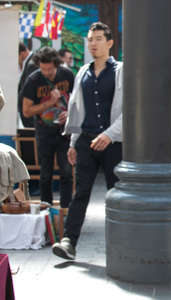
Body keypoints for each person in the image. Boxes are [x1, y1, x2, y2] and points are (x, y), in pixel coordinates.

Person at [51, 22, 123, 260]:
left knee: (116, 194)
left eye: (99, 38)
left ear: (110, 42)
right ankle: (68, 241)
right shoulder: (82, 71)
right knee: (81, 192)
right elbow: (76, 109)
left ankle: (120, 246)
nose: (93, 43)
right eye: (90, 39)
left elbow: (130, 110)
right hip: (86, 141)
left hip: (114, 143)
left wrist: (109, 134)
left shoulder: (121, 70)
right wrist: (72, 142)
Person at [21, 46, 74, 208]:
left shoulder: (67, 75)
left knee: (66, 171)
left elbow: (77, 101)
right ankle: (46, 209)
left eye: (49, 69)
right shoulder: (33, 80)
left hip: (64, 131)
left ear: (56, 64)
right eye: (43, 69)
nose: (46, 72)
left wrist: (70, 114)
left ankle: (65, 209)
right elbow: (27, 111)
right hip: (44, 132)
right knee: (45, 173)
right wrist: (49, 103)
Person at [18, 42, 38, 128]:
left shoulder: (32, 64)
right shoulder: (29, 62)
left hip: (30, 114)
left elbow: (28, 90)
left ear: (21, 53)